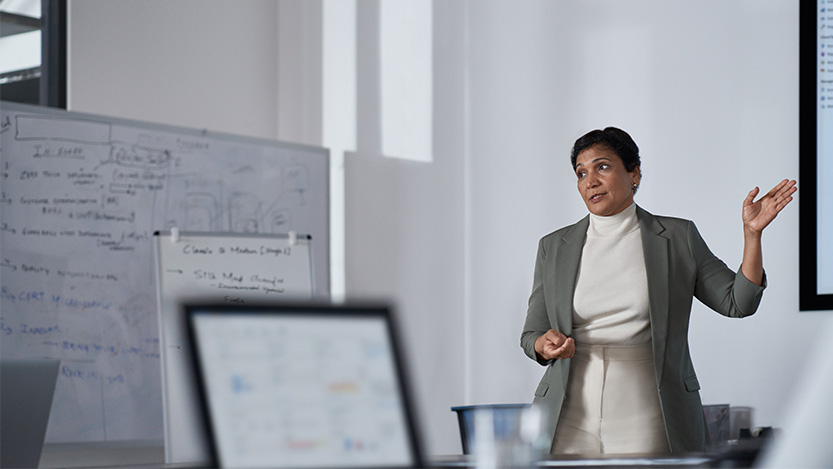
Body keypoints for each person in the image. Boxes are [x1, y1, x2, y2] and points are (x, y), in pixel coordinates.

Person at [519, 127, 796, 455]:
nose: (590, 181)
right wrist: (543, 344)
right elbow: (532, 334)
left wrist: (752, 235)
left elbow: (738, 302)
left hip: (649, 406)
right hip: (568, 407)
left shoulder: (678, 236)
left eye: (603, 167)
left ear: (634, 173)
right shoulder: (554, 247)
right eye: (581, 173)